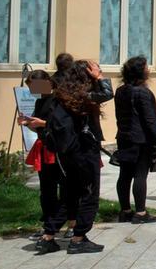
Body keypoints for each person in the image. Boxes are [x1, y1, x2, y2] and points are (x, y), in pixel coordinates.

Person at [20, 66, 105, 253]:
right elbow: (106, 93)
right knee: (89, 196)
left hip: (66, 154)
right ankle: (78, 238)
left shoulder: (60, 99)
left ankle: (48, 236)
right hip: (83, 152)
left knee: (69, 195)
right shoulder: (82, 99)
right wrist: (99, 78)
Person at [113, 56, 156, 224]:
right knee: (140, 175)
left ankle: (125, 210)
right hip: (141, 139)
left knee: (125, 174)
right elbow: (150, 120)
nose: (148, 69)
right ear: (141, 72)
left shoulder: (121, 91)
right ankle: (140, 212)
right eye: (146, 67)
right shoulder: (143, 92)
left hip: (124, 136)